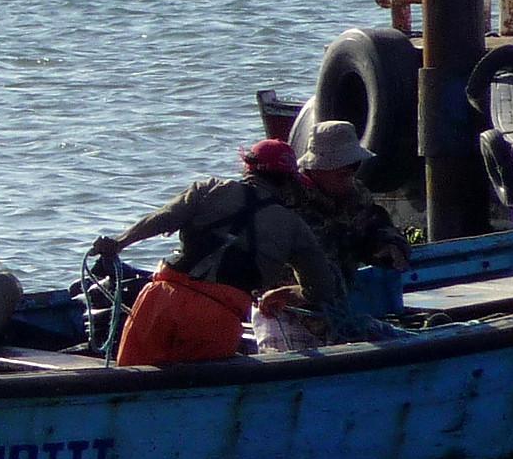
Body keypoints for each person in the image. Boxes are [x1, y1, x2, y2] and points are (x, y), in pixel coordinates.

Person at [90, 139, 341, 366]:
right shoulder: (294, 226)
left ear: (248, 168)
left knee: (132, 377)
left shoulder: (209, 189)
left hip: (162, 299)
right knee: (193, 392)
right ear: (289, 181)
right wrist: (286, 293)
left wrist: (119, 242)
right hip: (218, 316)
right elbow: (321, 289)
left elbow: (162, 219)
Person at [289, 121, 411, 280]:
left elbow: (375, 225)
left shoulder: (357, 194)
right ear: (316, 169)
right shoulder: (290, 201)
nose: (349, 175)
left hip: (342, 287)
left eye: (354, 166)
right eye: (341, 171)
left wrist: (390, 246)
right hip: (294, 291)